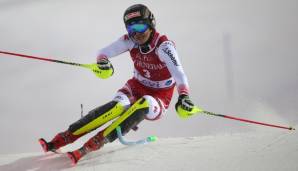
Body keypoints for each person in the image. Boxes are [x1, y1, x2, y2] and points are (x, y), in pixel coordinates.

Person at [39, 4, 197, 164]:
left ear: (151, 23)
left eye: (141, 27)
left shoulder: (164, 46)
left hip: (159, 97)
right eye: (131, 29)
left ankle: (92, 145)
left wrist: (184, 95)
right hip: (135, 87)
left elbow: (179, 73)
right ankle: (60, 140)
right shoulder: (130, 41)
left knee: (145, 103)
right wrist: (102, 62)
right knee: (118, 106)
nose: (136, 34)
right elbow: (103, 52)